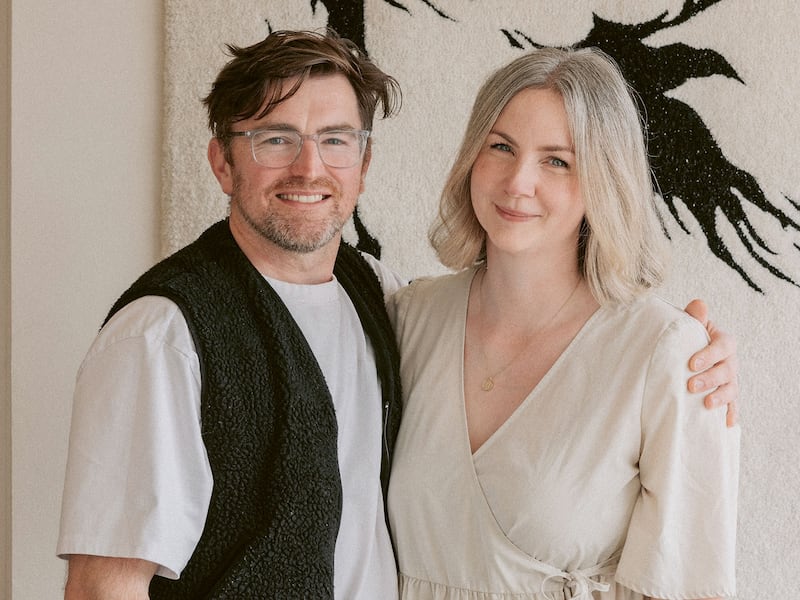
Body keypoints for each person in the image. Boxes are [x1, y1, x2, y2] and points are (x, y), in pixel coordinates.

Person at [56, 30, 737, 599]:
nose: (308, 167)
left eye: (557, 160)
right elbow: (103, 586)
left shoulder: (377, 300)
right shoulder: (172, 334)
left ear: (364, 161)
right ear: (222, 163)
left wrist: (696, 353)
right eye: (273, 139)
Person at [387, 47, 739, 599]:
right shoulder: (407, 318)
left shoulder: (665, 353)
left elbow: (687, 583)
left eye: (557, 160)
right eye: (501, 147)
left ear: (603, 180)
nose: (517, 181)